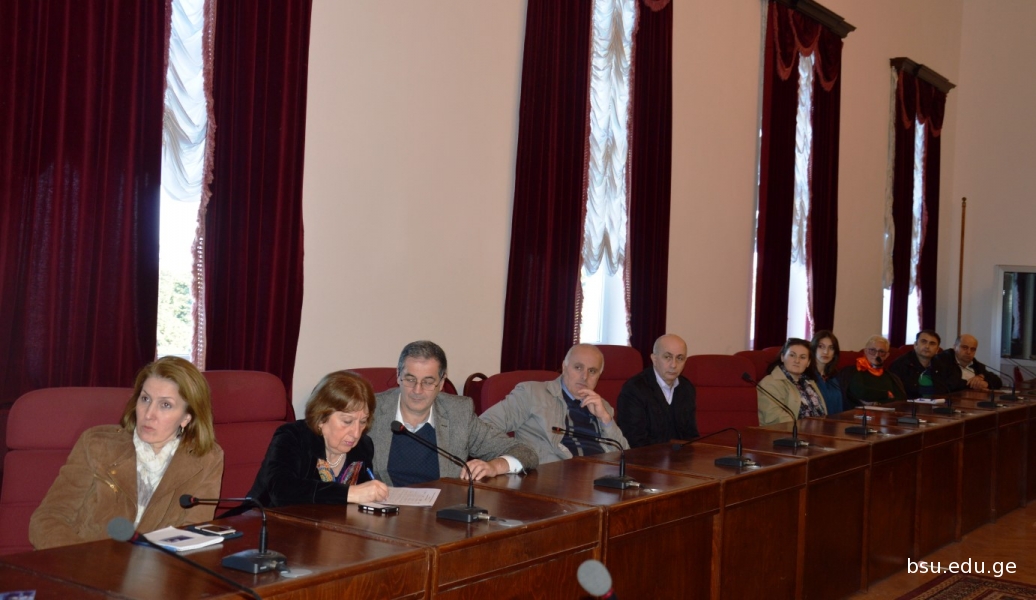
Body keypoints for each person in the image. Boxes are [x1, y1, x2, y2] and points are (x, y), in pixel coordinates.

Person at [29, 357, 224, 549]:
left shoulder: (206, 459)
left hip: (156, 566)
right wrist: (84, 561)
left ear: (186, 418)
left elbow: (192, 536)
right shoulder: (97, 445)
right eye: (145, 399)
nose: (149, 414)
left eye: (165, 405)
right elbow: (47, 519)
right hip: (80, 559)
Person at [369, 341, 538, 486]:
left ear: (442, 382)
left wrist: (494, 466)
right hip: (383, 509)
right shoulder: (371, 409)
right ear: (398, 376)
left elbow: (525, 453)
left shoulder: (458, 413)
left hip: (441, 508)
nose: (417, 390)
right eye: (410, 379)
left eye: (428, 382)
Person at [243, 371, 389, 509]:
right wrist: (348, 493)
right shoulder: (292, 436)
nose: (356, 433)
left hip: (330, 524)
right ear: (322, 418)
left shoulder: (364, 446)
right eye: (347, 421)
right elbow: (280, 491)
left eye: (362, 421)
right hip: (265, 519)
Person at [480, 344, 629, 463]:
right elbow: (483, 427)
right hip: (555, 478)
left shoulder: (602, 406)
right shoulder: (532, 394)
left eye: (592, 371)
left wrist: (606, 419)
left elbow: (625, 455)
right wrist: (514, 458)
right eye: (578, 367)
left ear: (599, 376)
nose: (584, 376)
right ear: (564, 367)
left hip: (600, 478)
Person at [615, 334, 699, 448]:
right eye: (667, 357)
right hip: (646, 456)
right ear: (654, 359)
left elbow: (691, 435)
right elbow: (634, 440)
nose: (674, 365)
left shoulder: (686, 388)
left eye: (680, 358)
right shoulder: (634, 389)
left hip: (681, 457)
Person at [757, 338, 827, 425]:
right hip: (788, 432)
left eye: (802, 357)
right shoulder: (770, 383)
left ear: (808, 362)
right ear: (782, 357)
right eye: (792, 355)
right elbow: (774, 418)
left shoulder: (809, 382)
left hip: (818, 431)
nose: (797, 361)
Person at [837, 335, 907, 407]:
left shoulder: (891, 377)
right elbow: (861, 393)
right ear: (865, 351)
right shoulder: (854, 371)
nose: (877, 355)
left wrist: (878, 402)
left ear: (886, 355)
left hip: (889, 411)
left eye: (881, 351)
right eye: (872, 350)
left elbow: (900, 399)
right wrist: (887, 394)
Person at [922, 334, 1003, 393]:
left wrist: (985, 382)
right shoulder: (943, 359)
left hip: (972, 402)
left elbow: (998, 381)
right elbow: (949, 384)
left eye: (973, 349)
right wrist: (973, 384)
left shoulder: (975, 364)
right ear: (955, 347)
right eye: (964, 347)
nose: (968, 352)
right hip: (949, 403)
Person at [888, 330, 941, 398]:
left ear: (937, 349)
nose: (927, 346)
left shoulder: (942, 365)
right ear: (915, 345)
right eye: (923, 342)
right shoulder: (900, 365)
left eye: (932, 343)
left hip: (938, 403)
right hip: (909, 403)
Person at [810, 330, 844, 414]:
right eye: (821, 346)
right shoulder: (805, 376)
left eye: (831, 348)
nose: (826, 352)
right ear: (814, 348)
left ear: (834, 353)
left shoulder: (836, 376)